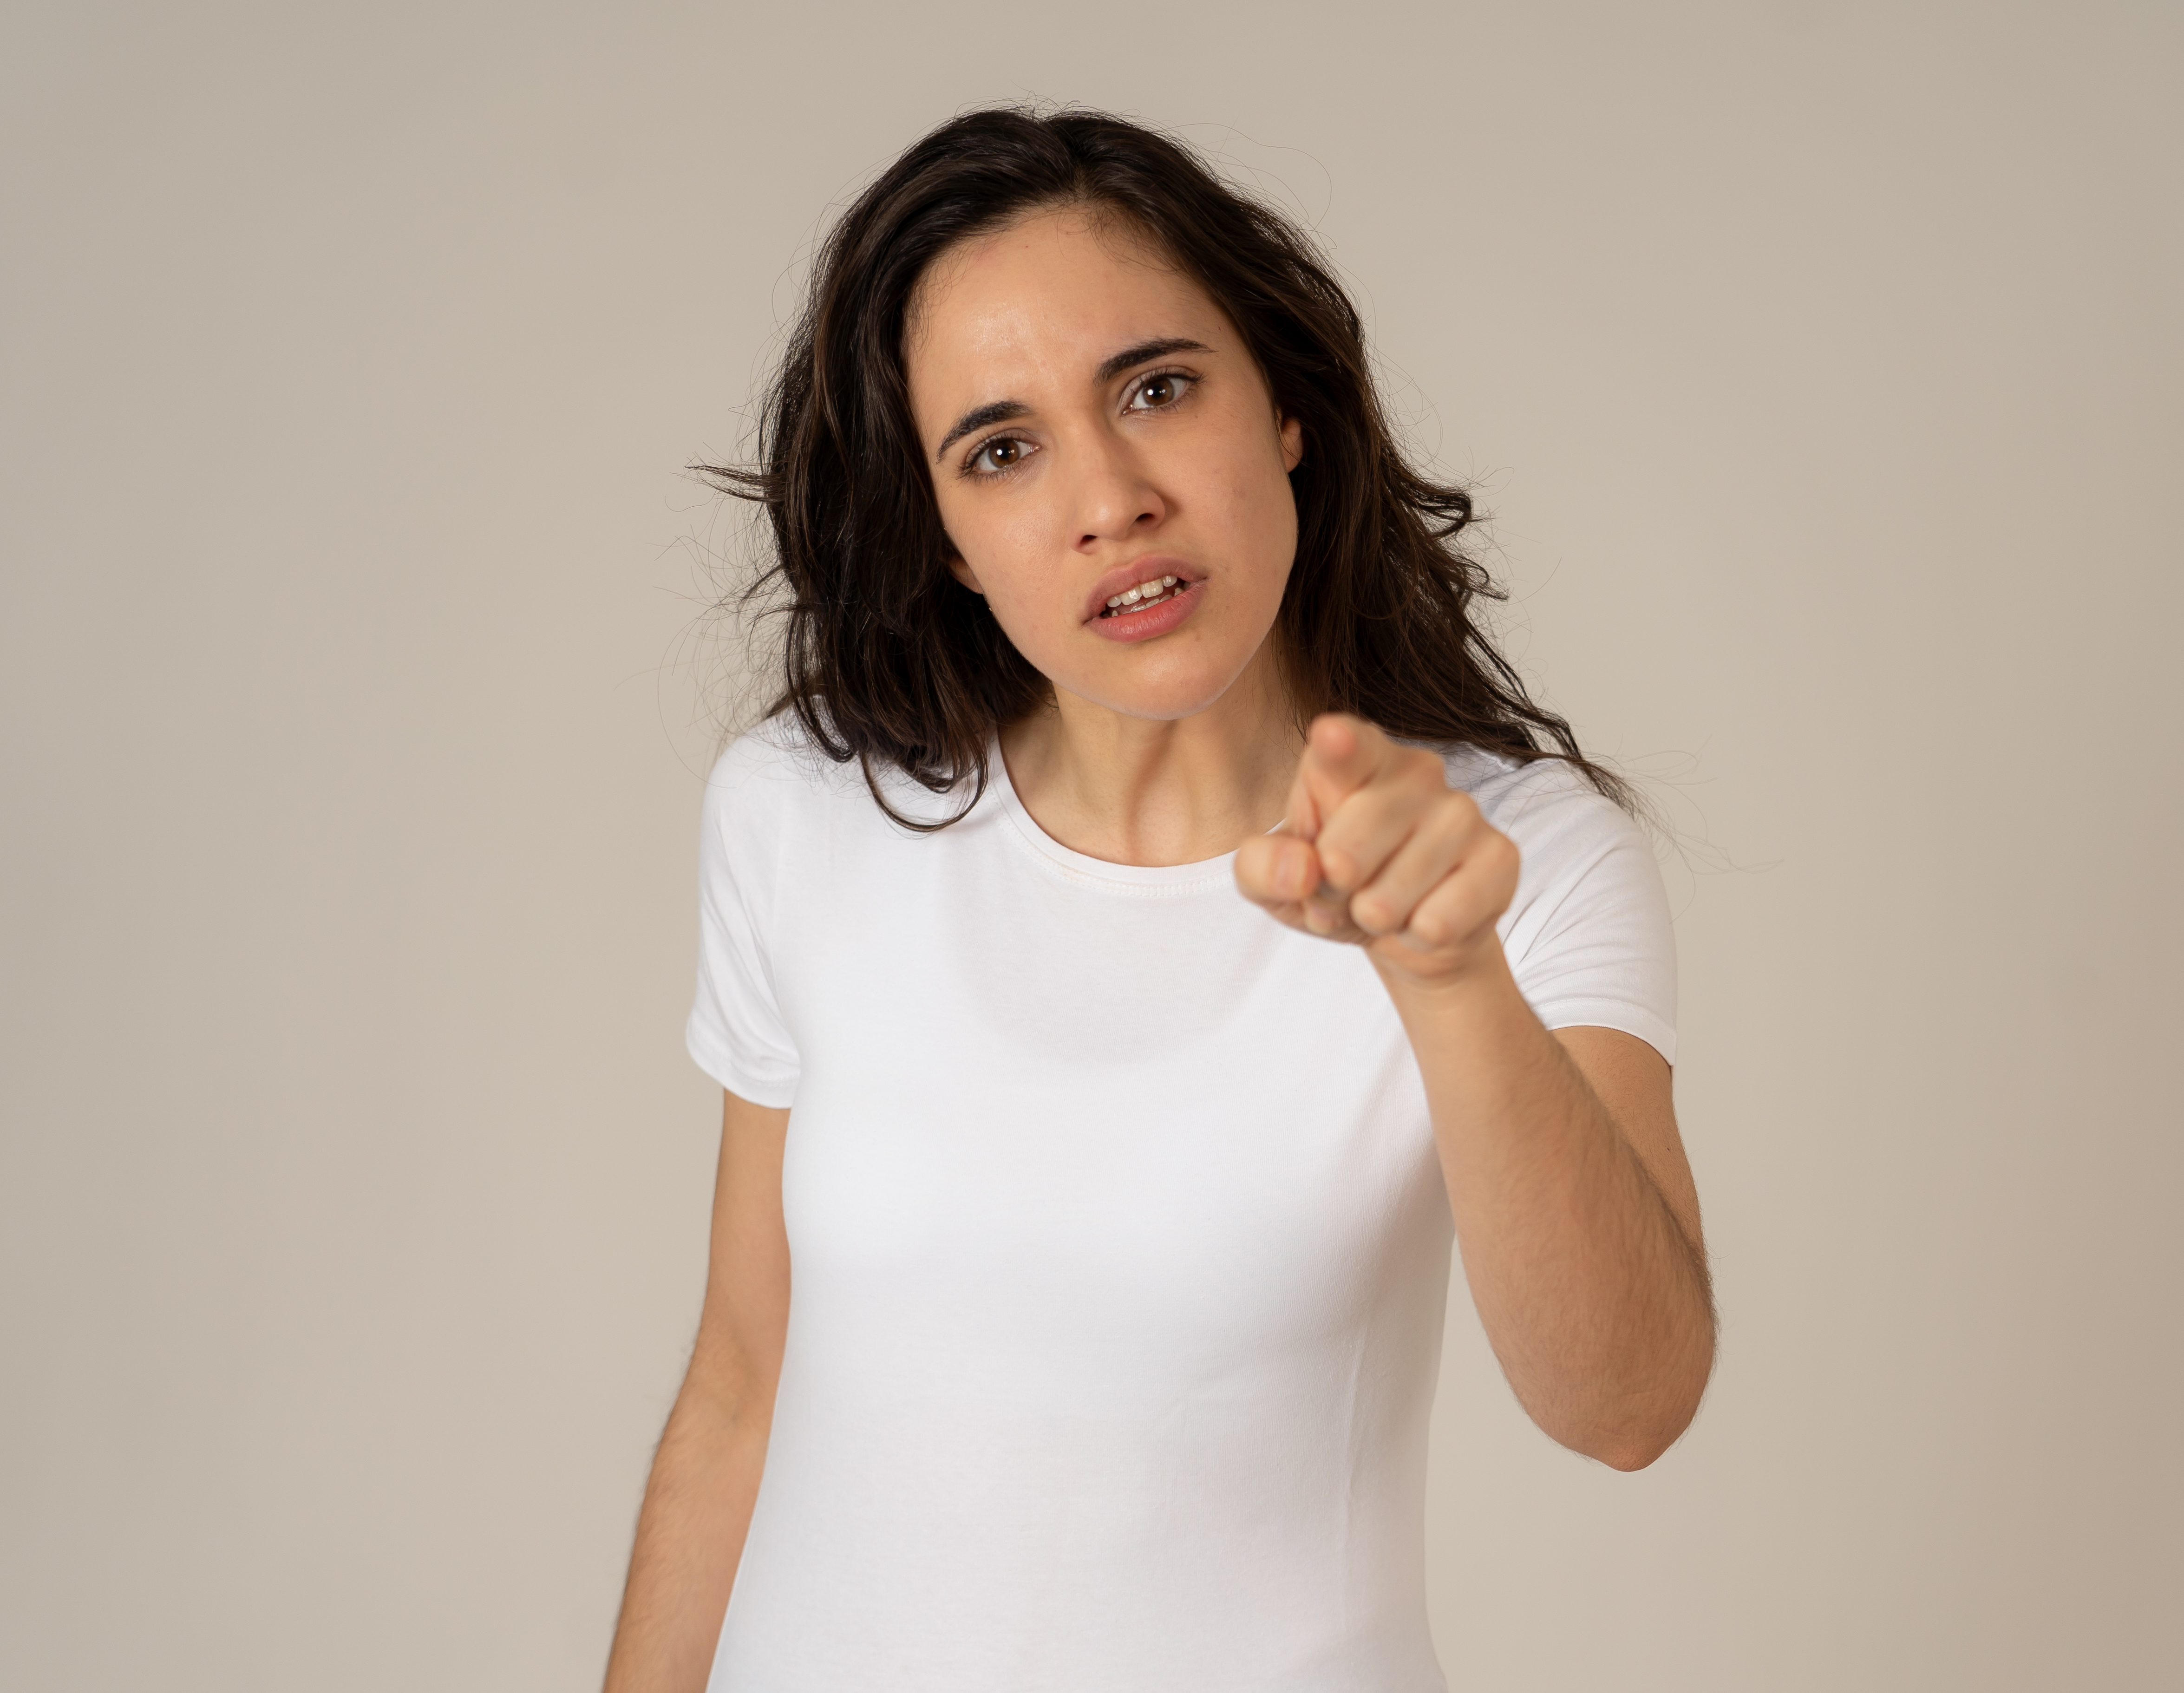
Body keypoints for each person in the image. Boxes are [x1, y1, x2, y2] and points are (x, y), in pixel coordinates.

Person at [603, 106, 1714, 1693]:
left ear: (1284, 411)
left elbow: (1628, 1406)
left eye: (1158, 388)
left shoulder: (1507, 863)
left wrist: (1448, 977)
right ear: (952, 543)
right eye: (1003, 447)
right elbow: (741, 1377)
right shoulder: (803, 817)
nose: (1108, 494)